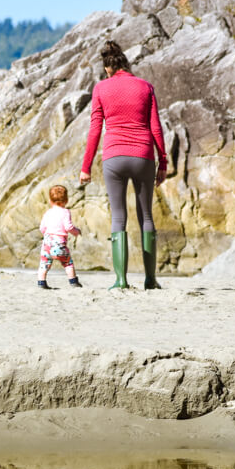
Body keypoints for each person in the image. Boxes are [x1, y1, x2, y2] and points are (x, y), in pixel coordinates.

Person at [80, 40, 167, 291]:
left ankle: (121, 281)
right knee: (146, 216)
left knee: (118, 217)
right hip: (143, 156)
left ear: (108, 67)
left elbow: (95, 129)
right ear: (126, 64)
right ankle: (150, 280)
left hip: (114, 158)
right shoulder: (145, 87)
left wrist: (86, 167)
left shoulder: (101, 89)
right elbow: (155, 128)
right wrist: (163, 161)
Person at [37, 184, 82, 289]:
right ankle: (73, 282)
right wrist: (77, 232)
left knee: (44, 264)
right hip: (59, 244)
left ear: (50, 201)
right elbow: (68, 227)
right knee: (68, 263)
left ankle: (41, 283)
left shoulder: (48, 213)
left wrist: (47, 235)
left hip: (47, 243)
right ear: (66, 200)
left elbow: (42, 228)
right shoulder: (65, 212)